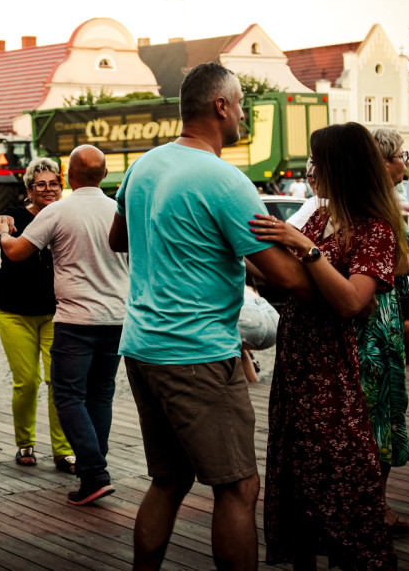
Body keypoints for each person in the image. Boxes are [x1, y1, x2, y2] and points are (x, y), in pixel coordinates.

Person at [108, 62, 312, 571]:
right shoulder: (225, 180)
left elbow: (119, 238)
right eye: (240, 102)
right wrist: (315, 259)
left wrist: (189, 246)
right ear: (220, 106)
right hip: (197, 353)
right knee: (239, 485)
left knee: (170, 479)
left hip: (142, 346)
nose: (243, 113)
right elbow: (284, 278)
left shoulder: (144, 166)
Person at [250, 121, 407, 570]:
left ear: (341, 167)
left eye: (317, 161)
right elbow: (282, 276)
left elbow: (353, 303)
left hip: (330, 367)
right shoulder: (319, 216)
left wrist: (307, 250)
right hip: (297, 363)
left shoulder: (374, 228)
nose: (309, 169)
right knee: (297, 476)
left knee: (341, 473)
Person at [0, 145, 129, 505]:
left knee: (68, 394)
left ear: (69, 177)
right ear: (104, 176)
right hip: (117, 318)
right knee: (101, 395)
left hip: (75, 319)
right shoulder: (120, 209)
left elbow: (17, 252)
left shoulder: (59, 210)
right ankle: (92, 473)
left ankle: (94, 472)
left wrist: (4, 234)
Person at [356, 127, 409, 533]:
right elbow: (389, 266)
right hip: (376, 324)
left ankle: (365, 506)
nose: (406, 162)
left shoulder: (361, 201)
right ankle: (376, 509)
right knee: (379, 414)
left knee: (369, 415)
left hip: (369, 323)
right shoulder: (377, 208)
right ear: (386, 161)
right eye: (402, 156)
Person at [0, 157, 74, 472]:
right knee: (27, 381)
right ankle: (25, 443)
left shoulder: (68, 215)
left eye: (53, 183)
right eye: (40, 184)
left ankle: (63, 450)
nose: (48, 189)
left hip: (57, 310)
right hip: (14, 310)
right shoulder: (12, 216)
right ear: (29, 189)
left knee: (60, 381)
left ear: (62, 185)